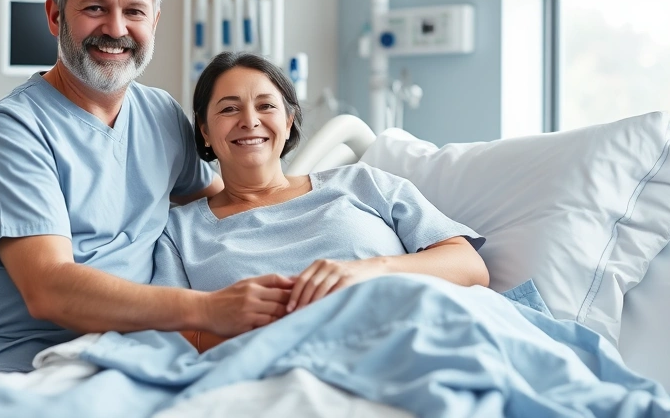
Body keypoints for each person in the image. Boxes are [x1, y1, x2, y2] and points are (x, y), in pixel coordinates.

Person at [0, 0, 295, 384]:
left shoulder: (160, 113)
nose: (117, 29)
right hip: (15, 362)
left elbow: (227, 207)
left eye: (134, 11)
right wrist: (208, 310)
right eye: (95, 8)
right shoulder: (10, 132)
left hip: (130, 355)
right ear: (55, 15)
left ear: (154, 21)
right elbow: (50, 290)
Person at [152, 52, 490, 351]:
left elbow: (471, 268)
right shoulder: (179, 233)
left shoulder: (362, 182)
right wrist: (282, 331)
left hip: (416, 335)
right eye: (229, 108)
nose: (250, 120)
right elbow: (174, 334)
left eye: (266, 106)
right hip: (282, 367)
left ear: (288, 120)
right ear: (205, 130)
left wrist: (370, 270)